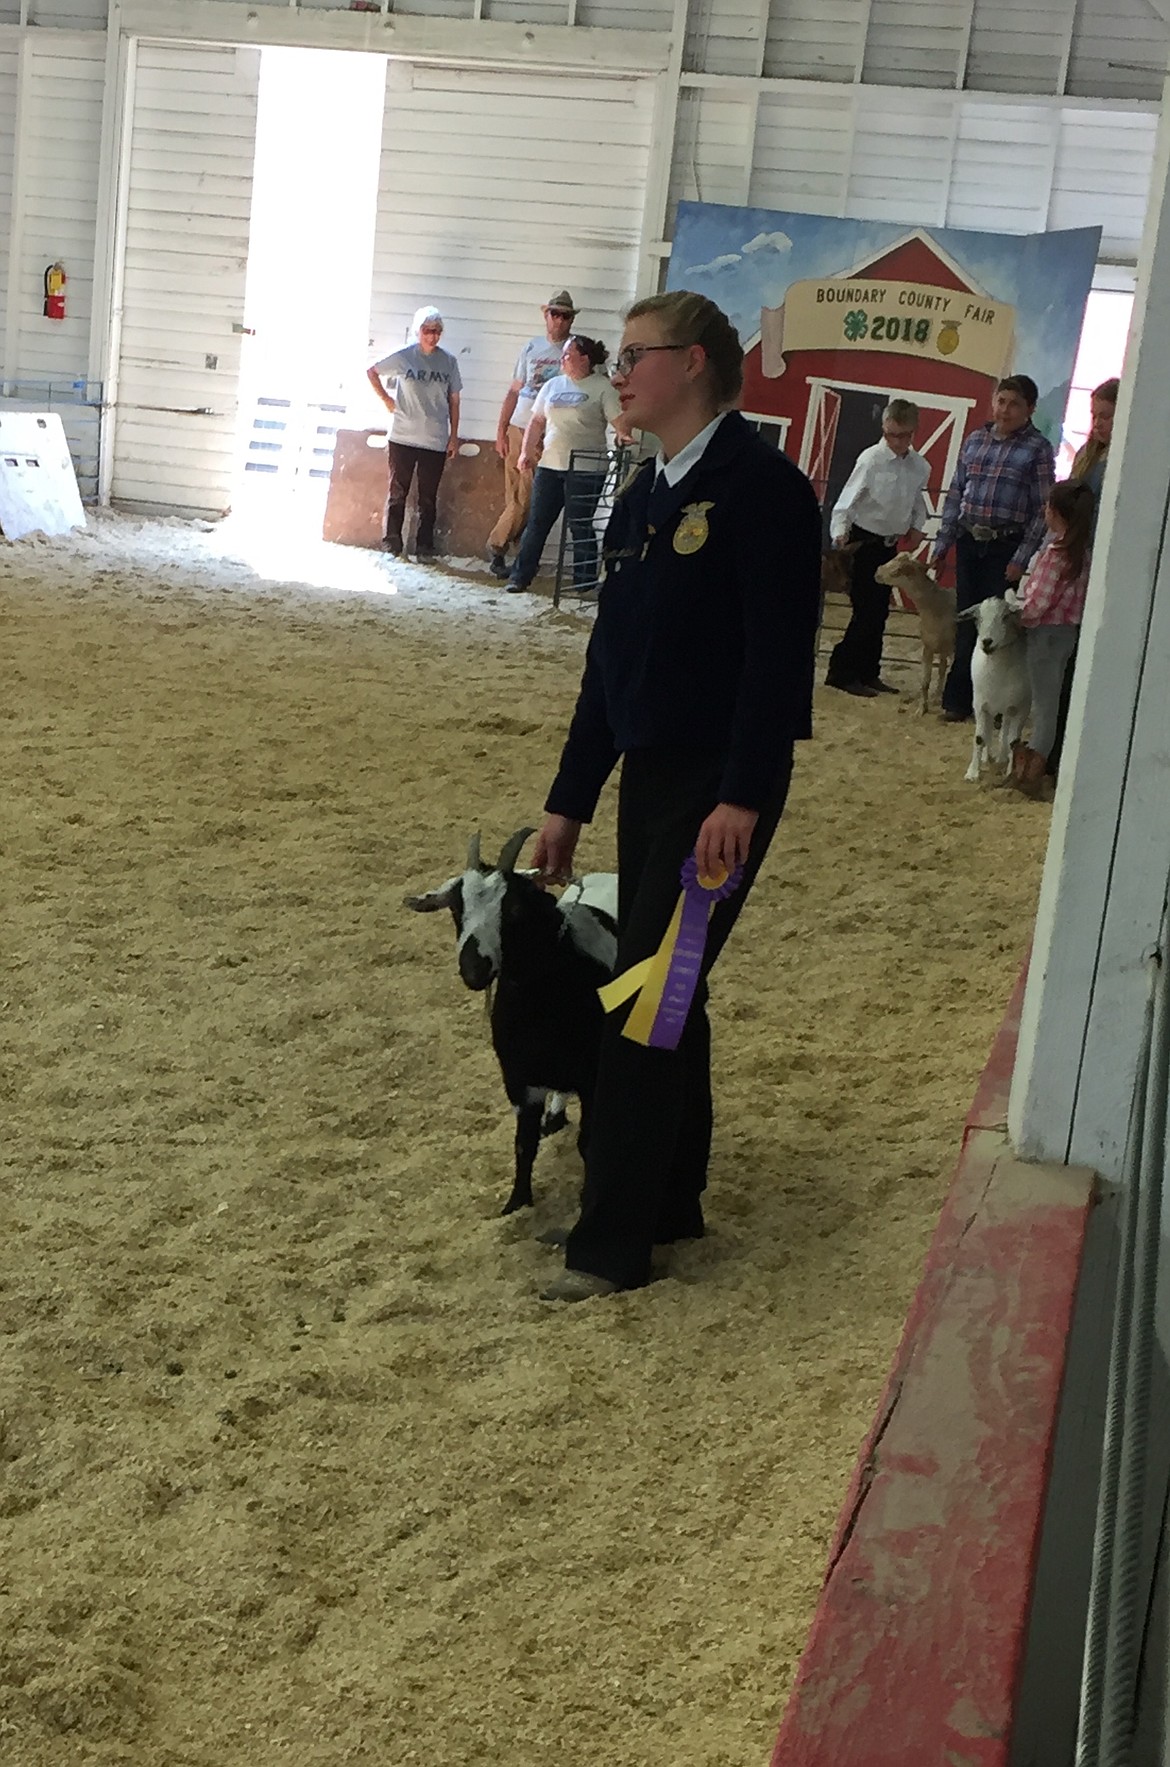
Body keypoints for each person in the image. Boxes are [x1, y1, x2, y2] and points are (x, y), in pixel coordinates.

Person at [529, 290, 822, 1303]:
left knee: (648, 999)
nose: (620, 373)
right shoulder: (650, 490)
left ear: (694, 363)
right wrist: (570, 798)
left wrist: (742, 795)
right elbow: (612, 662)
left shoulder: (764, 492)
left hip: (721, 787)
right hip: (655, 778)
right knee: (667, 983)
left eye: (637, 357)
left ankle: (613, 1244)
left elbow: (779, 666)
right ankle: (674, 1200)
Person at [931, 375, 1055, 722]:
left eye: (1014, 404)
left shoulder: (1038, 449)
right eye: (1001, 401)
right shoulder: (975, 440)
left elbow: (1041, 510)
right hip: (971, 542)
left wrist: (1021, 557)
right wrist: (944, 543)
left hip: (1006, 546)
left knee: (998, 628)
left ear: (1030, 409)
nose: (1005, 409)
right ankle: (958, 700)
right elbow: (957, 493)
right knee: (968, 620)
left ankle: (997, 704)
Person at [507, 335, 630, 595]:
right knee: (537, 522)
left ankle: (584, 582)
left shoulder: (601, 387)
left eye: (567, 354)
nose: (562, 359)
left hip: (586, 468)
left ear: (584, 358)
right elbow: (537, 422)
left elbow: (618, 419)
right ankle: (520, 576)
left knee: (580, 524)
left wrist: (623, 434)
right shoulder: (552, 385)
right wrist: (526, 452)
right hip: (551, 464)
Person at [825, 398, 929, 698]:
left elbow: (916, 500)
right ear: (884, 429)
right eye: (890, 434)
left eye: (902, 435)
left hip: (889, 546)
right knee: (866, 611)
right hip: (862, 542)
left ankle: (869, 672)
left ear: (913, 432)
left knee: (880, 610)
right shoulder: (870, 460)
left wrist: (918, 526)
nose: (895, 441)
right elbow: (847, 500)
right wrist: (839, 534)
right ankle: (841, 671)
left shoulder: (920, 466)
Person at [1046, 377, 1120, 780]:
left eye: (1106, 416)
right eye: (1095, 416)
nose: (1099, 424)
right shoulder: (1089, 459)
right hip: (1077, 561)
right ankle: (1052, 749)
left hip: (1100, 565)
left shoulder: (1123, 462)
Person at [1009, 480, 1095, 796]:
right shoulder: (1082, 554)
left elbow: (1038, 602)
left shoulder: (1056, 554)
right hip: (1066, 633)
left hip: (1044, 634)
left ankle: (1031, 772)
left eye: (1048, 506)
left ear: (1056, 513)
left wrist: (1017, 616)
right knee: (1050, 703)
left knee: (1044, 707)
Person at [487, 291, 577, 578]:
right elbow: (514, 390)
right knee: (518, 494)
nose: (559, 320)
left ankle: (500, 546)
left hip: (551, 432)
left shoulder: (575, 351)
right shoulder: (530, 348)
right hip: (520, 427)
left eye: (566, 315)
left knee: (532, 497)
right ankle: (505, 551)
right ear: (546, 316)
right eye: (555, 314)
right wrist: (501, 430)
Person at [366, 305, 461, 560]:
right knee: (398, 491)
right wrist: (386, 399)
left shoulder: (449, 361)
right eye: (428, 330)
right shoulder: (405, 356)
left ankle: (424, 546)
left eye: (437, 331)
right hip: (403, 436)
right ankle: (392, 543)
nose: (433, 336)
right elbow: (372, 371)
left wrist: (453, 436)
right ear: (418, 331)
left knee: (428, 497)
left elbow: (454, 400)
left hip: (435, 438)